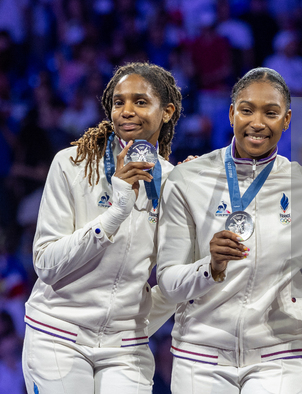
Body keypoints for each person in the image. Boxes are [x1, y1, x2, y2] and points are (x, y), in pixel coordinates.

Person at [156, 67, 302, 394]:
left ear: (287, 120)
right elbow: (169, 282)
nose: (257, 123)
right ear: (232, 113)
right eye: (246, 110)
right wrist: (210, 267)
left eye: (271, 113)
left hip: (278, 355)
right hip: (200, 356)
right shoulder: (188, 179)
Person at [23, 62, 182, 394]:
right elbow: (46, 265)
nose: (126, 111)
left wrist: (136, 327)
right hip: (59, 335)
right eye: (119, 102)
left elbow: (174, 281)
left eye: (140, 102)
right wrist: (115, 213)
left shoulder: (175, 184)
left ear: (166, 111)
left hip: (126, 348)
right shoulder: (71, 164)